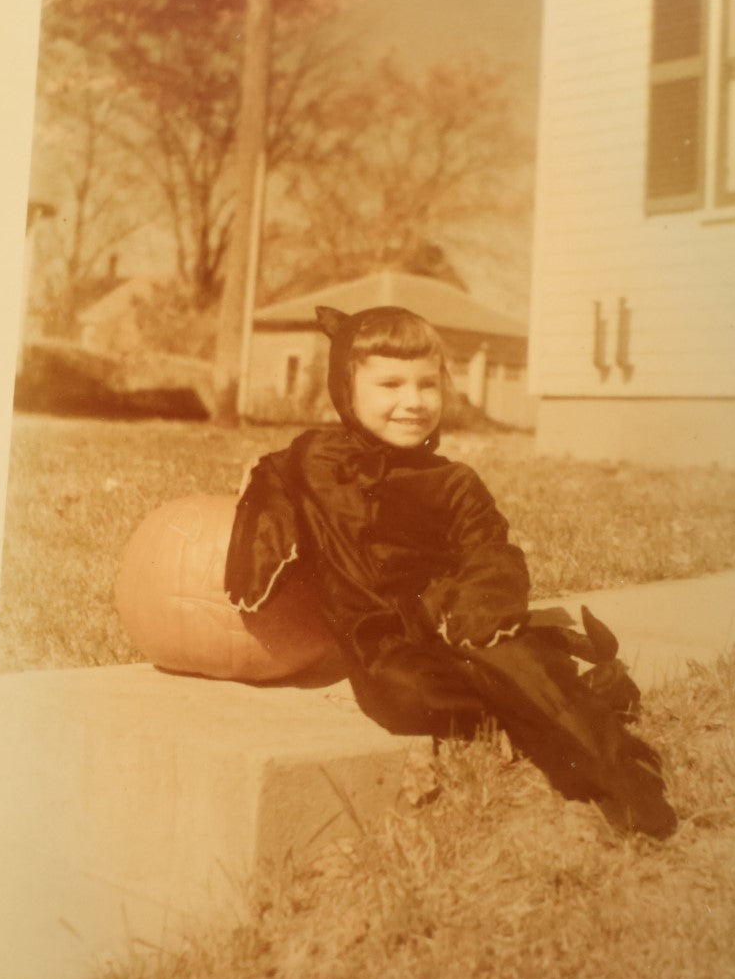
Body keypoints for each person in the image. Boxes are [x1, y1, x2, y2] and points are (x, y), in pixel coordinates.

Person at [225, 306, 677, 838]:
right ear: (346, 391)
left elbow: (491, 549)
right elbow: (271, 474)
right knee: (406, 700)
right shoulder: (313, 460)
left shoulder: (455, 482)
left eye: (427, 384)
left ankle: (617, 771)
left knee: (510, 663)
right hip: (381, 636)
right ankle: (583, 690)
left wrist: (480, 605)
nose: (412, 402)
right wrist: (259, 502)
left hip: (457, 619)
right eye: (389, 384)